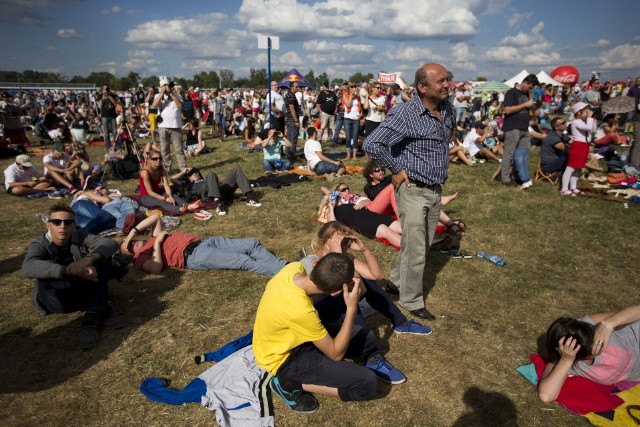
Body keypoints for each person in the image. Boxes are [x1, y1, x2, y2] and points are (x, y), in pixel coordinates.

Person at [363, 63, 455, 321]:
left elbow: (445, 137)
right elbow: (373, 143)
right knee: (416, 249)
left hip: (434, 189)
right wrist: (396, 168)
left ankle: (395, 282)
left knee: (420, 243)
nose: (447, 85)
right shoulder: (406, 113)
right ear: (422, 87)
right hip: (413, 189)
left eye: (448, 79)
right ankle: (411, 300)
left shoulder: (448, 109)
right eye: (440, 81)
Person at [253, 253, 396, 414]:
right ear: (336, 293)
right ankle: (288, 384)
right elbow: (336, 355)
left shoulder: (292, 269)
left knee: (367, 338)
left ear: (315, 264)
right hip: (282, 358)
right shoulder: (302, 312)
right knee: (367, 383)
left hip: (295, 335)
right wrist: (351, 309)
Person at [302, 222, 432, 337]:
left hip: (333, 307)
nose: (342, 246)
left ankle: (400, 323)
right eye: (337, 242)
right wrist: (340, 255)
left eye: (345, 242)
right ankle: (368, 353)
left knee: (364, 284)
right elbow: (360, 289)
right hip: (315, 314)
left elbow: (377, 275)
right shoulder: (312, 263)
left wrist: (364, 250)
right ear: (322, 242)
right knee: (349, 292)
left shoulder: (344, 256)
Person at [22, 203, 121, 349]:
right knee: (47, 264)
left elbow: (110, 243)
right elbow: (27, 268)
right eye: (57, 222)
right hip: (55, 300)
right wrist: (68, 270)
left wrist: (88, 260)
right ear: (48, 226)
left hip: (81, 289)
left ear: (74, 225)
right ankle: (100, 306)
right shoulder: (40, 244)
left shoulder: (79, 235)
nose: (62, 226)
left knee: (103, 258)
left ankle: (91, 316)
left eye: (67, 222)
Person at [120, 213, 286, 276]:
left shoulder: (153, 237)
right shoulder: (140, 258)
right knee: (243, 260)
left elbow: (155, 216)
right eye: (131, 246)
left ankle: (285, 267)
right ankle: (285, 275)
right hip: (194, 256)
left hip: (204, 243)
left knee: (252, 243)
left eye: (133, 241)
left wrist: (131, 234)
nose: (134, 243)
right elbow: (156, 268)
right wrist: (158, 242)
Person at [538, 304, 640, 403]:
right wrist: (566, 360)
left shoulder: (587, 325)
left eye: (594, 337)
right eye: (593, 345)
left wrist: (608, 324)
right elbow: (546, 395)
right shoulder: (567, 362)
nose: (598, 343)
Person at [170, 166, 262, 215]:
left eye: (195, 171)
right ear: (187, 178)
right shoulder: (188, 184)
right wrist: (184, 171)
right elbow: (172, 179)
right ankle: (218, 204)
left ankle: (249, 198)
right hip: (206, 194)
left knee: (236, 169)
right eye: (191, 174)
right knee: (211, 174)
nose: (195, 173)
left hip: (219, 189)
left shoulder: (206, 179)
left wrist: (237, 195)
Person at [500, 74, 539, 187]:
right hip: (513, 128)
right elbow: (507, 110)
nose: (531, 89)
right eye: (530, 87)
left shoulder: (527, 94)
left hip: (524, 127)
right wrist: (525, 104)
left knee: (525, 153)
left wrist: (530, 101)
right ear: (525, 82)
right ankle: (505, 178)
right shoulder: (511, 93)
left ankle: (519, 175)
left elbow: (527, 106)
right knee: (509, 154)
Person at [138, 149, 200, 215]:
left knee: (173, 196)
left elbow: (166, 185)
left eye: (160, 158)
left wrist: (169, 196)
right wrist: (165, 199)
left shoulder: (161, 169)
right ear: (149, 160)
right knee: (161, 202)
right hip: (146, 197)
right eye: (155, 159)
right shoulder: (145, 172)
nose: (158, 160)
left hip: (158, 192)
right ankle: (179, 209)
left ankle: (188, 206)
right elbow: (150, 192)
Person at [560, 102, 596, 196]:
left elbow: (593, 130)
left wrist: (593, 119)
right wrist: (590, 118)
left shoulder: (585, 121)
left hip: (584, 146)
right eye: (586, 111)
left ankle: (573, 187)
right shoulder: (576, 122)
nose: (588, 113)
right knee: (570, 168)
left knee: (577, 168)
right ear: (579, 112)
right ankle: (564, 188)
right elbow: (588, 128)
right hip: (577, 146)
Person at [151, 78, 187, 173]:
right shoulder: (157, 96)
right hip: (163, 126)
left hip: (176, 126)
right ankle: (167, 169)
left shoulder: (177, 95)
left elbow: (180, 105)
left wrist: (171, 93)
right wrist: (162, 93)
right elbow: (153, 106)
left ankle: (183, 168)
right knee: (164, 149)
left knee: (179, 149)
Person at [342, 82, 361, 160]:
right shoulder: (345, 95)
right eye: (352, 87)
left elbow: (360, 106)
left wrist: (361, 114)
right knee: (348, 137)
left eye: (355, 86)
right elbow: (348, 105)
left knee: (355, 137)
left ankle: (354, 155)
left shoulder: (358, 96)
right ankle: (348, 155)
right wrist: (351, 96)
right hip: (347, 118)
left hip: (356, 119)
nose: (354, 88)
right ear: (349, 88)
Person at [97, 85, 118, 152]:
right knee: (106, 132)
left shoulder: (111, 95)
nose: (106, 90)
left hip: (112, 115)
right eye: (104, 89)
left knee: (115, 131)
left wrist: (109, 96)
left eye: (107, 89)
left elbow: (115, 104)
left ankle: (117, 145)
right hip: (104, 115)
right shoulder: (100, 95)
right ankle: (107, 146)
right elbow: (101, 103)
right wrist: (104, 95)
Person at [284, 82, 302, 163]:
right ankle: (291, 157)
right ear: (292, 87)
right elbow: (292, 109)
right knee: (293, 140)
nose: (298, 88)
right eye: (296, 86)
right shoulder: (291, 96)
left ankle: (288, 155)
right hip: (292, 120)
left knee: (289, 138)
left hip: (289, 120)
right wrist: (296, 121)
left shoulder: (289, 95)